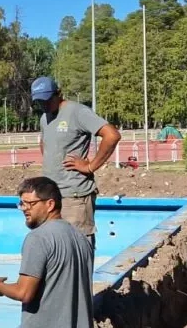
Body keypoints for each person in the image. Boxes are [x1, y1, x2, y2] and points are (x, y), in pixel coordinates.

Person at [0, 177, 94, 328]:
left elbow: (24, 293)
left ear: (50, 204)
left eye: (30, 203)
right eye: (22, 203)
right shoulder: (81, 239)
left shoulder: (38, 239)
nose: (24, 209)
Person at [32, 76, 121, 250]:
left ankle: (83, 279)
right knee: (55, 249)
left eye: (47, 100)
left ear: (58, 94)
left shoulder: (77, 112)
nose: (44, 105)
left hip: (74, 197)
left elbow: (112, 135)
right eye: (39, 102)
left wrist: (90, 166)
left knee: (79, 249)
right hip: (51, 196)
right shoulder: (45, 117)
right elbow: (46, 143)